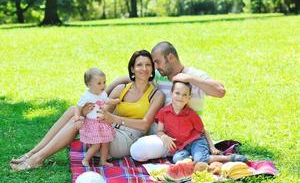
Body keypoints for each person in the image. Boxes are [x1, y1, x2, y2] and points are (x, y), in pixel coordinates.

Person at [10, 50, 164, 171]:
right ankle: (33, 153)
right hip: (106, 131)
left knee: (80, 121)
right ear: (132, 68)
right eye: (139, 65)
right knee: (75, 112)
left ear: (152, 69)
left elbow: (145, 125)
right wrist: (85, 111)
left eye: (147, 65)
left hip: (125, 138)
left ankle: (37, 159)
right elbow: (101, 112)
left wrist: (114, 119)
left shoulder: (156, 95)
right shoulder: (121, 89)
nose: (144, 69)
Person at [106, 41, 226, 161]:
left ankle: (191, 151)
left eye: (157, 62)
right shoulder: (159, 76)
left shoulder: (194, 75)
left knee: (139, 150)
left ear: (170, 57)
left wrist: (190, 79)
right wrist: (103, 94)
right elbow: (135, 77)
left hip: (180, 135)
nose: (155, 67)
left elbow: (220, 91)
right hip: (158, 131)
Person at [156, 81, 247, 164]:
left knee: (201, 160)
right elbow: (159, 130)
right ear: (171, 94)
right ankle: (199, 158)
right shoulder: (163, 112)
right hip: (180, 146)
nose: (180, 97)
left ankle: (229, 158)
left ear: (189, 98)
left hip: (196, 141)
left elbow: (203, 131)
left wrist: (212, 147)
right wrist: (164, 137)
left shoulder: (191, 114)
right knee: (177, 160)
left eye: (184, 95)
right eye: (177, 93)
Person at [75, 68, 119, 167]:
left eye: (104, 82)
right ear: (89, 85)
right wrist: (77, 119)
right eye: (99, 83)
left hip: (102, 122)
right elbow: (77, 108)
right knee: (96, 144)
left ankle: (102, 161)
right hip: (92, 123)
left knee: (106, 143)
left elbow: (106, 100)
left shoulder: (102, 94)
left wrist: (115, 101)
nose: (103, 85)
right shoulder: (86, 96)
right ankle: (86, 159)